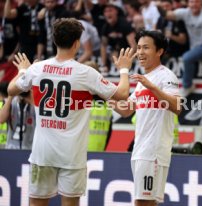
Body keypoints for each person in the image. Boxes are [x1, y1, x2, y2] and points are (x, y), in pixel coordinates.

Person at [7, 18, 135, 206]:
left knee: (36, 203)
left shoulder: (37, 69)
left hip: (43, 154)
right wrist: (124, 69)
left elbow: (10, 90)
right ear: (77, 43)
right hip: (72, 156)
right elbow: (123, 94)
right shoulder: (86, 73)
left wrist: (23, 71)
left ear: (54, 40)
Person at [110, 30, 182, 206]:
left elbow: (177, 106)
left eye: (146, 48)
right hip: (142, 150)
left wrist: (152, 87)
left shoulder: (165, 76)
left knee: (142, 202)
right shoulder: (144, 79)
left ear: (159, 51)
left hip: (153, 152)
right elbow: (127, 110)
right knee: (147, 203)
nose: (140, 52)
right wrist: (103, 93)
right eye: (139, 47)